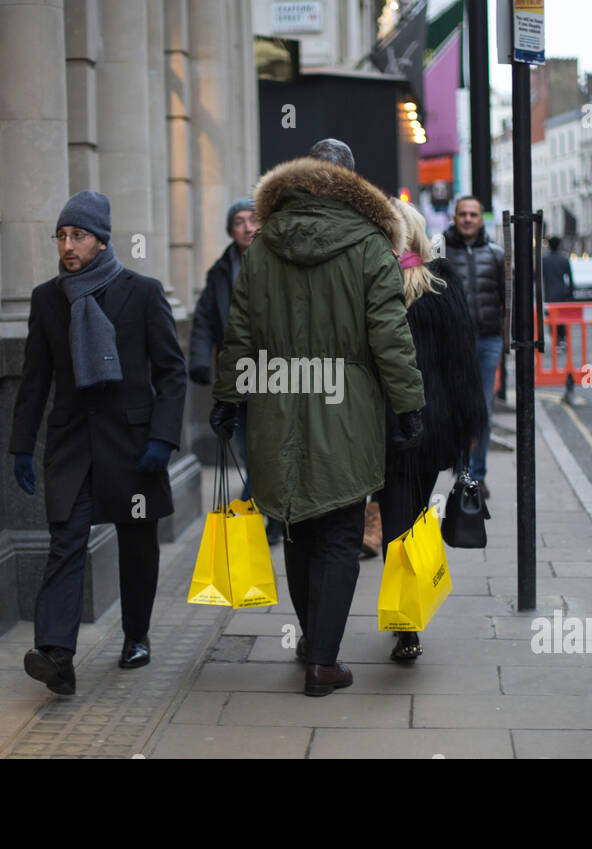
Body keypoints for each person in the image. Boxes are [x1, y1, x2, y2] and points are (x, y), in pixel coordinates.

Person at [210, 138, 425, 697]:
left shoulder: (261, 247)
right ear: (352, 185)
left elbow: (240, 332)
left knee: (298, 525)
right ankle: (323, 661)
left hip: (276, 400)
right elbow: (390, 336)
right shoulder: (372, 245)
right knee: (340, 529)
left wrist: (227, 398)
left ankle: (312, 641)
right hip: (345, 403)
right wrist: (408, 406)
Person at [10, 190, 187, 695]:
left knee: (136, 542)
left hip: (132, 445)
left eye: (78, 236)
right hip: (72, 445)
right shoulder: (48, 299)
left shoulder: (143, 292)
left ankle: (136, 635)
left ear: (102, 241)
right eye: (62, 236)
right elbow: (35, 378)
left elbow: (172, 374)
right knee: (65, 541)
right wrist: (22, 445)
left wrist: (163, 437)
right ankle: (56, 655)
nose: (68, 245)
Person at [374, 197, 486, 662]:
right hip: (431, 424)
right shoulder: (442, 284)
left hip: (382, 425)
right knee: (412, 517)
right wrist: (467, 428)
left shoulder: (375, 285)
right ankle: (408, 619)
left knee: (396, 519)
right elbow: (463, 363)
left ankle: (407, 621)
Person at [188, 198, 282, 544]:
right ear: (231, 230)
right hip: (237, 377)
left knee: (267, 450)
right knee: (249, 451)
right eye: (239, 222)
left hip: (274, 375)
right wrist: (199, 361)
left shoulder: (278, 262)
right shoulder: (219, 271)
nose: (247, 227)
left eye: (252, 219)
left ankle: (256, 515)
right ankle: (263, 514)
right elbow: (203, 321)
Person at [442, 195, 507, 499]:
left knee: (482, 408)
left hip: (487, 339)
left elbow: (506, 299)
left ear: (482, 219)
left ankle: (477, 476)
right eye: (462, 214)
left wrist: (507, 340)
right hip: (454, 341)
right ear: (454, 217)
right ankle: (461, 472)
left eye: (473, 214)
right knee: (457, 408)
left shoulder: (495, 253)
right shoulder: (439, 251)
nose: (468, 219)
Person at [540, 236, 574, 349]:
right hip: (561, 293)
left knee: (551, 318)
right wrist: (570, 293)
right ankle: (562, 339)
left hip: (549, 293)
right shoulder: (564, 259)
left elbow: (540, 278)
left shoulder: (545, 260)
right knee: (562, 318)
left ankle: (555, 339)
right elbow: (570, 278)